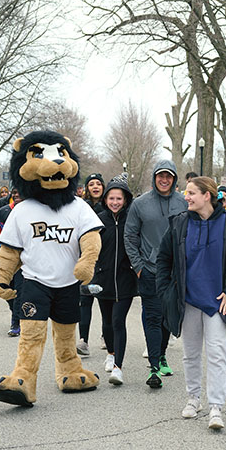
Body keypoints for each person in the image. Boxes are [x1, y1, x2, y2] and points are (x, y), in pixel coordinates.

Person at [157, 177, 226, 429]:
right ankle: (193, 398)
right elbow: (163, 259)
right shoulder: (179, 223)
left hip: (218, 302)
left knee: (217, 355)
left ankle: (216, 408)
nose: (186, 197)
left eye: (191, 193)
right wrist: (166, 291)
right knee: (190, 354)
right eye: (186, 193)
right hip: (187, 301)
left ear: (207, 195)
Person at [125, 160, 187, 388]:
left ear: (174, 179)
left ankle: (161, 356)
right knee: (152, 317)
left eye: (169, 176)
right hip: (149, 270)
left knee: (167, 317)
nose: (164, 180)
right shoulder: (140, 204)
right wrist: (139, 267)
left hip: (175, 272)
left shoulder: (183, 202)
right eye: (161, 176)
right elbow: (130, 237)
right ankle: (153, 368)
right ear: (154, 177)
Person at [93, 175, 138, 385]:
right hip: (103, 277)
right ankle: (110, 353)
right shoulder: (99, 220)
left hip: (126, 279)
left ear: (126, 200)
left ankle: (118, 368)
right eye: (111, 198)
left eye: (119, 198)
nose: (115, 202)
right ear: (106, 199)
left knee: (119, 321)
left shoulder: (132, 219)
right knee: (107, 321)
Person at [76, 173, 107, 355]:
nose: (95, 187)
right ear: (87, 188)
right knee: (85, 300)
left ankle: (105, 335)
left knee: (104, 301)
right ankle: (83, 340)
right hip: (86, 259)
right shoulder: (81, 207)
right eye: (91, 184)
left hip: (105, 260)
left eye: (98, 184)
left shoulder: (109, 205)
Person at [0, 188, 24, 336]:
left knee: (19, 289)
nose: (17, 195)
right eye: (15, 192)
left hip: (24, 259)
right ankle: (15, 311)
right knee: (6, 288)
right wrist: (1, 250)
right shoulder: (4, 211)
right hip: (7, 257)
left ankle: (15, 323)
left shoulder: (33, 211)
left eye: (20, 192)